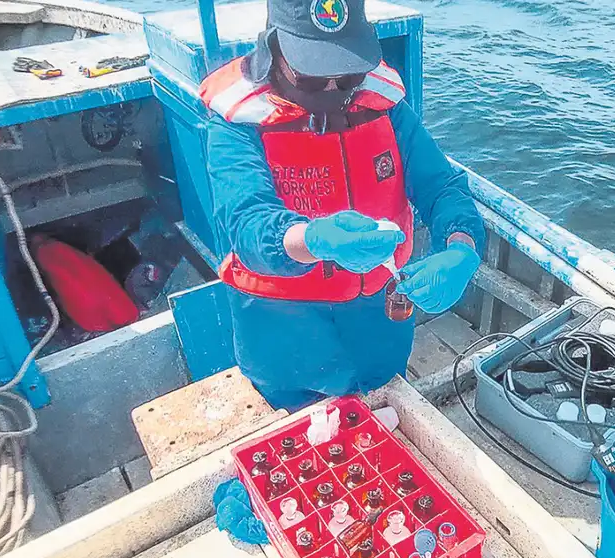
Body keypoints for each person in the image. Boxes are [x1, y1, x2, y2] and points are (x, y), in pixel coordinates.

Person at [199, 0, 486, 411]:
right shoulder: (237, 122)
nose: (334, 90)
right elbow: (246, 221)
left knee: (386, 427)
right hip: (283, 340)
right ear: (274, 48)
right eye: (313, 77)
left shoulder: (385, 106)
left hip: (379, 329)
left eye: (349, 73)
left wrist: (461, 249)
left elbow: (441, 186)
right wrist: (312, 240)